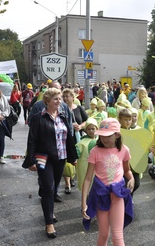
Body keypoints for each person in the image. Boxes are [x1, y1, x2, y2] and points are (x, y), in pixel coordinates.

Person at [22, 88, 78, 239]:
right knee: (47, 188)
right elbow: (32, 139)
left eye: (60, 99)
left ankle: (50, 211)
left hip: (60, 157)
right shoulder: (37, 118)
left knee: (53, 189)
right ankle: (49, 223)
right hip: (43, 157)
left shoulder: (64, 115)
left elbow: (70, 137)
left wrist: (73, 156)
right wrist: (31, 160)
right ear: (47, 101)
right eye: (56, 99)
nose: (59, 101)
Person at [81, 118, 134, 246]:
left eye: (108, 136)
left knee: (117, 235)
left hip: (118, 195)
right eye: (102, 136)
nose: (104, 139)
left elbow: (127, 170)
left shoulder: (124, 150)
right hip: (101, 195)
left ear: (117, 135)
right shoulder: (95, 151)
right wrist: (83, 203)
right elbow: (88, 178)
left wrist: (131, 178)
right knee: (104, 234)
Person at [62, 88, 88, 194]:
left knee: (77, 160)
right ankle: (67, 184)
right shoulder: (61, 109)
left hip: (77, 138)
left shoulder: (79, 108)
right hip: (65, 138)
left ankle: (73, 177)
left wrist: (80, 126)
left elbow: (87, 121)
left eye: (67, 96)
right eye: (64, 97)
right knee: (67, 160)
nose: (65, 98)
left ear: (73, 98)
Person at [76, 118, 98, 191]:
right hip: (85, 168)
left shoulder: (100, 140)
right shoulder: (82, 143)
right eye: (89, 129)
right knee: (87, 187)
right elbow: (76, 153)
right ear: (85, 130)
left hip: (98, 169)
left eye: (93, 129)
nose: (91, 131)